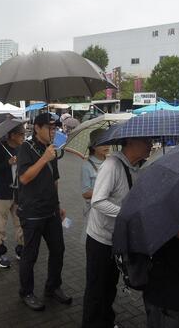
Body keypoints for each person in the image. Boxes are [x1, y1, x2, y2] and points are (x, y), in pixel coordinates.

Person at [82, 137, 152, 328]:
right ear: (131, 142)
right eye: (147, 141)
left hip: (118, 239)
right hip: (100, 240)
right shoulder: (112, 165)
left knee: (109, 286)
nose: (151, 145)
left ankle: (105, 321)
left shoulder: (136, 167)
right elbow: (97, 201)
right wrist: (126, 214)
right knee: (96, 289)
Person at [17, 113, 71, 311]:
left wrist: (57, 205)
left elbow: (54, 180)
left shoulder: (52, 150)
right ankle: (26, 292)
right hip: (32, 212)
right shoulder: (26, 148)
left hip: (51, 211)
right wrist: (44, 159)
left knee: (58, 249)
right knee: (30, 255)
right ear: (37, 128)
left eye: (55, 128)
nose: (53, 131)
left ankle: (53, 286)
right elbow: (24, 178)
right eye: (49, 127)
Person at [0, 124, 25, 268]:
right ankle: (0, 252)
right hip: (2, 192)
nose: (23, 137)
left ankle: (21, 249)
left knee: (20, 222)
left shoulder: (22, 148)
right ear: (12, 135)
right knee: (0, 223)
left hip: (18, 192)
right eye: (21, 134)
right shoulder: (0, 148)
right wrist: (7, 163)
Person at [80, 129, 109, 243]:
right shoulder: (87, 166)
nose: (106, 145)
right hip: (94, 212)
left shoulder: (112, 161)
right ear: (94, 146)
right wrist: (106, 190)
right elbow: (85, 193)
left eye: (107, 141)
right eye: (102, 143)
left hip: (109, 210)